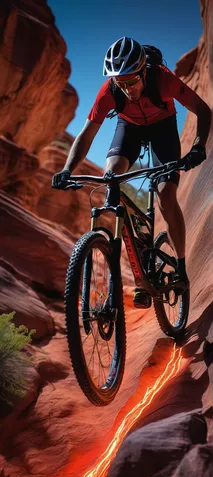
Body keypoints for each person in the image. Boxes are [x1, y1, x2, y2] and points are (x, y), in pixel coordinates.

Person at [52, 37, 211, 308]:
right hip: (130, 129)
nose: (125, 89)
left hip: (163, 128)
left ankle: (181, 267)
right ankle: (134, 271)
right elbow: (86, 135)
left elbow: (203, 110)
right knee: (111, 174)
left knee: (165, 194)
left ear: (143, 72)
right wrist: (67, 169)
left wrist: (197, 147)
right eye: (119, 83)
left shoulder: (162, 79)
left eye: (130, 81)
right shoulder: (109, 91)